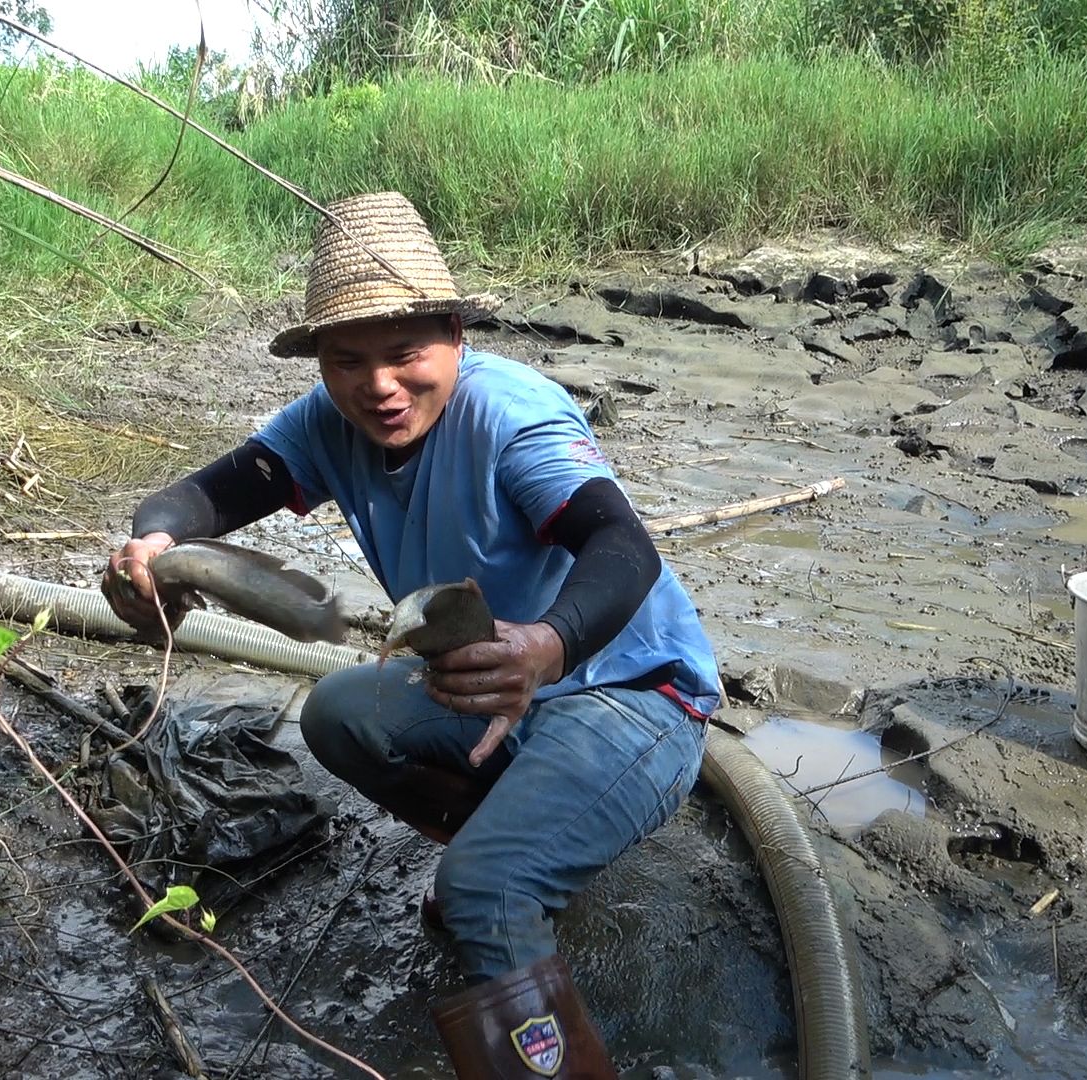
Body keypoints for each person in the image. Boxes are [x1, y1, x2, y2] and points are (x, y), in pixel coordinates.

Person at [102, 191, 722, 1078]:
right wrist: (153, 539)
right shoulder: (328, 423)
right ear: (320, 363)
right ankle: (511, 855)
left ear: (457, 339)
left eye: (406, 354)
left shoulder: (511, 416)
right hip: (485, 682)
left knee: (482, 891)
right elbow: (210, 493)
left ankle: (502, 884)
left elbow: (623, 548)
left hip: (628, 692)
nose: (379, 386)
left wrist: (547, 645)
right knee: (338, 713)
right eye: (347, 361)